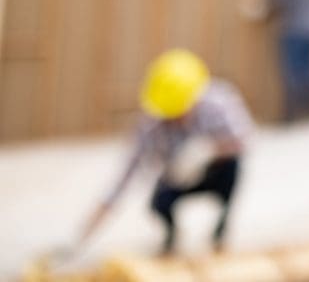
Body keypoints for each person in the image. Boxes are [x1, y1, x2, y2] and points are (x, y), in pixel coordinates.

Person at [77, 50, 253, 255]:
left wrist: (210, 150)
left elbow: (246, 140)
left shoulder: (218, 103)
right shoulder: (152, 123)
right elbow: (125, 178)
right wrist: (82, 237)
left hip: (215, 173)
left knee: (234, 167)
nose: (175, 117)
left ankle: (220, 232)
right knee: (159, 202)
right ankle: (171, 239)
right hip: (176, 177)